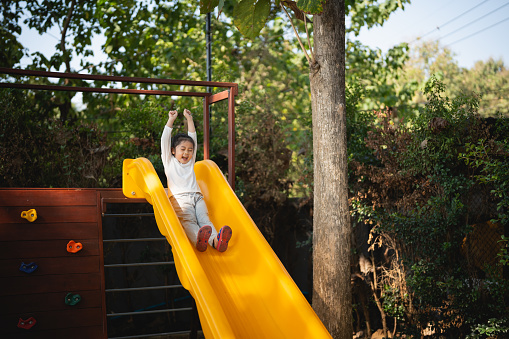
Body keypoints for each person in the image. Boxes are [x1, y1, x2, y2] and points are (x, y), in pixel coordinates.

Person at [161, 108, 232, 252]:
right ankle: (198, 240)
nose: (186, 152)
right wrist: (171, 120)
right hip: (180, 200)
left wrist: (190, 120)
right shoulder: (169, 162)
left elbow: (193, 137)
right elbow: (164, 140)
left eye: (190, 150)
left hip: (198, 197)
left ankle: (215, 241)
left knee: (205, 221)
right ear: (173, 150)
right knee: (189, 222)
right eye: (182, 149)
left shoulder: (190, 162)